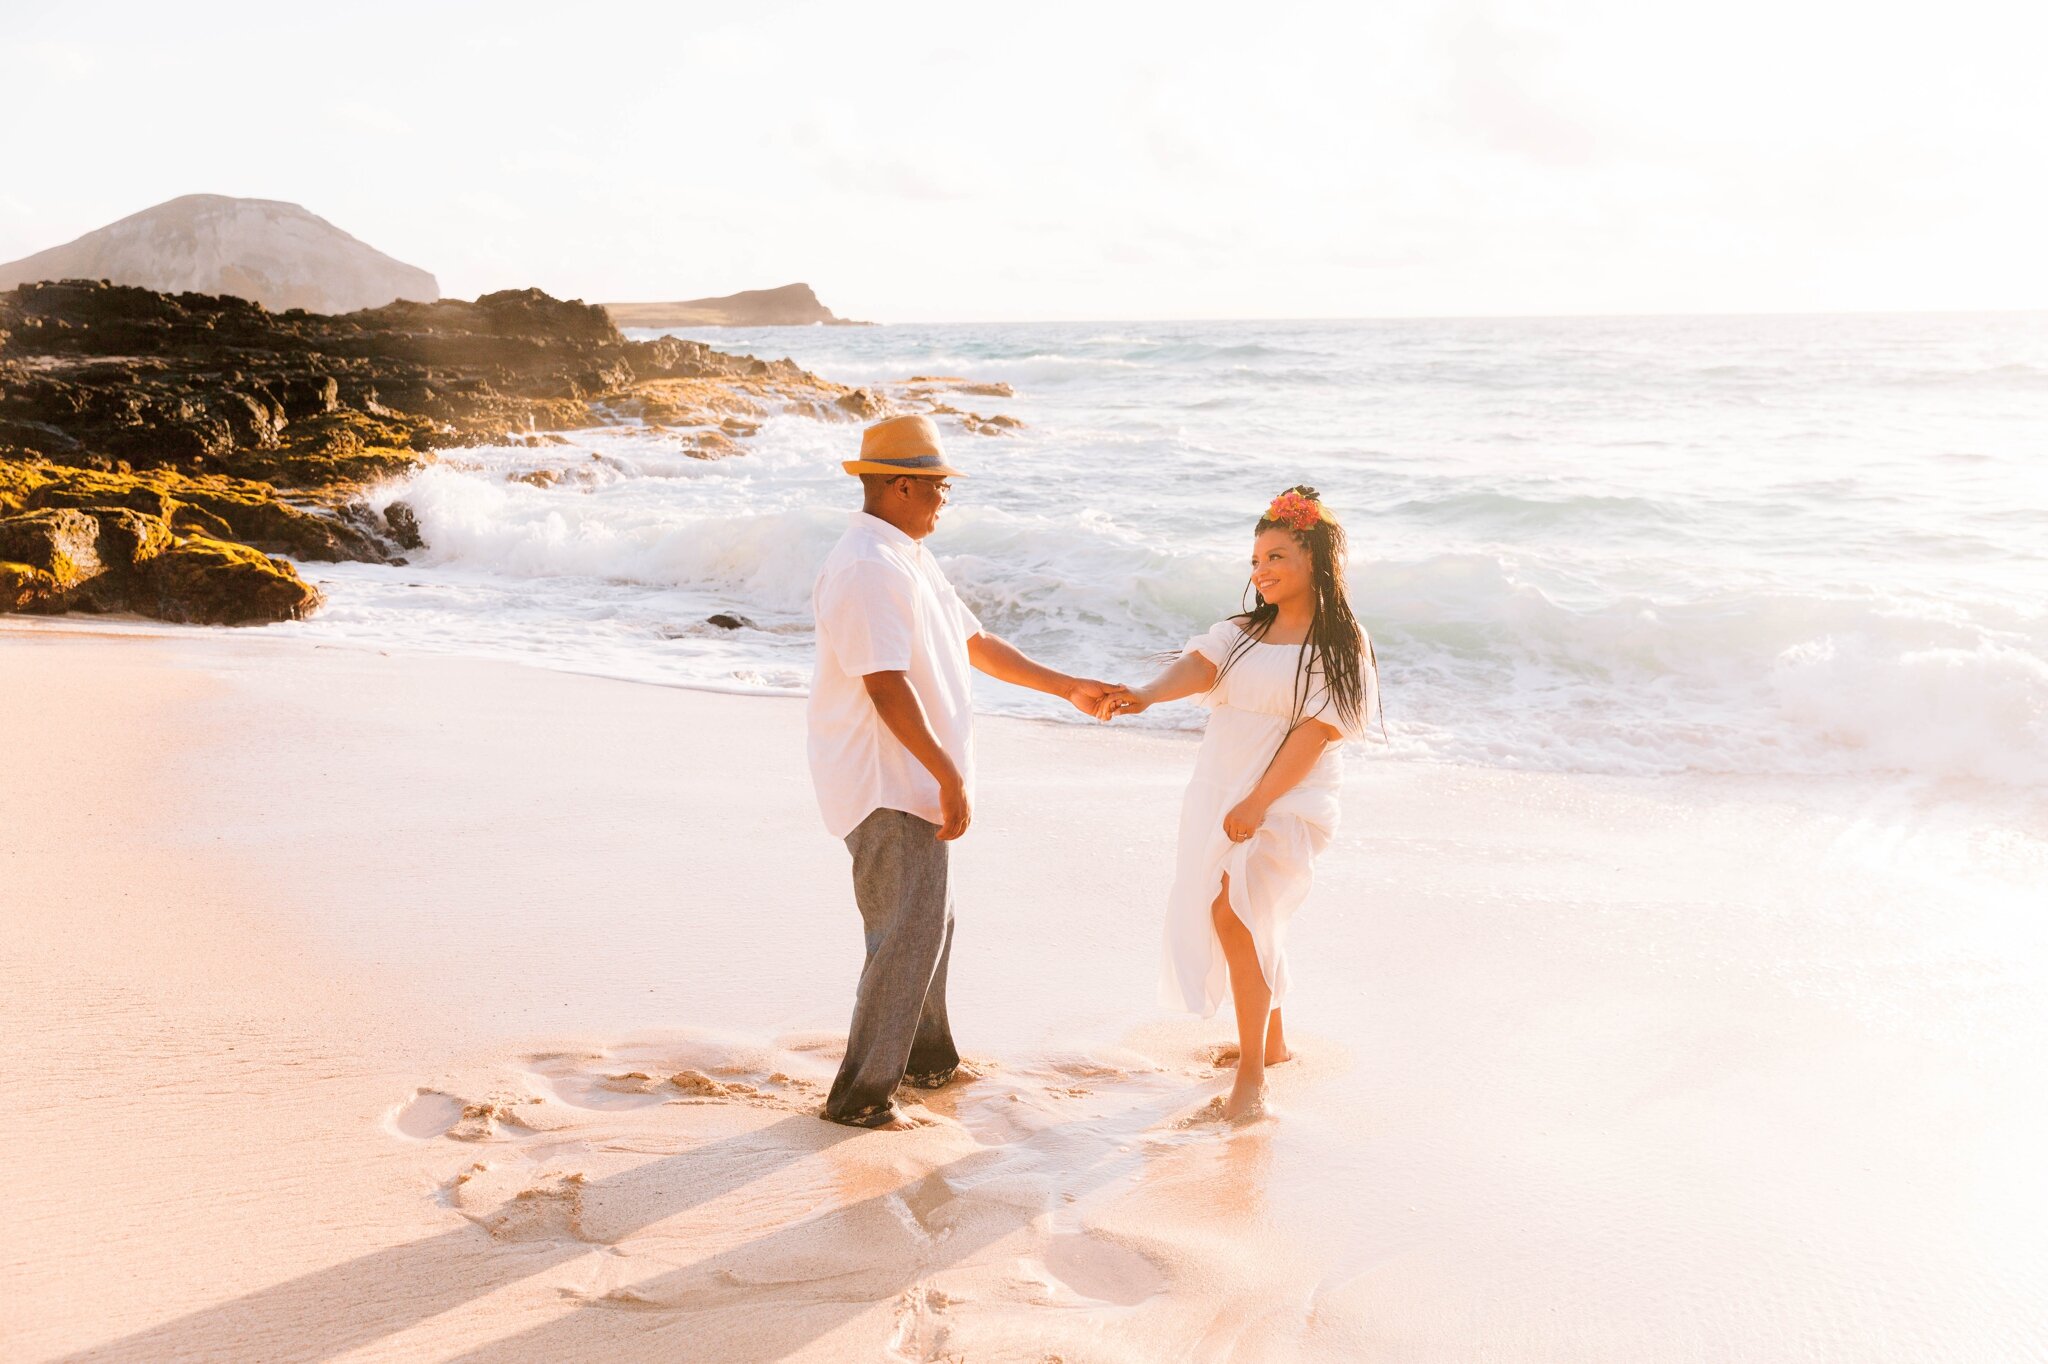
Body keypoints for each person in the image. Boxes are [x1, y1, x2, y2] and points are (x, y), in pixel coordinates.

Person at [807, 413, 1120, 1130]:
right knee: (905, 935)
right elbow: (883, 683)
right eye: (940, 486)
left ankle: (927, 1062)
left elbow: (977, 643)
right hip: (885, 779)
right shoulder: (866, 564)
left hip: (912, 776)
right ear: (901, 485)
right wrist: (946, 775)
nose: (947, 497)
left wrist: (1067, 686)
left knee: (929, 924)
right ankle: (859, 1098)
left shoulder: (907, 554)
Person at [1100, 485, 1383, 1121]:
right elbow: (1198, 668)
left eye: (1277, 556)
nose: (1261, 572)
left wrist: (1259, 802)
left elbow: (1316, 732)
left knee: (1240, 912)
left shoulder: (1342, 643)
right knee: (1244, 910)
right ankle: (1274, 1042)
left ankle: (1253, 1073)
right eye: (1255, 561)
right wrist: (1145, 695)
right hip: (1220, 785)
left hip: (1289, 794)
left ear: (1315, 558)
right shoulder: (1241, 633)